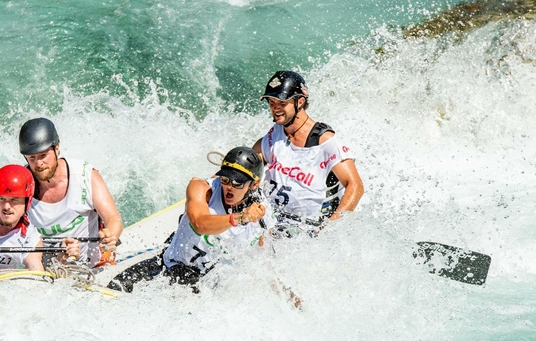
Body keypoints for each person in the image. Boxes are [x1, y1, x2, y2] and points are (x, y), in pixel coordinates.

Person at [107, 147, 268, 293]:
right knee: (114, 288)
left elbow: (263, 257)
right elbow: (199, 223)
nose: (229, 187)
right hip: (171, 267)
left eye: (237, 182)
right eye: (225, 179)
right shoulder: (201, 188)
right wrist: (241, 217)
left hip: (208, 286)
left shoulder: (262, 211)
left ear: (254, 185)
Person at [251, 71, 364, 235]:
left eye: (282, 103)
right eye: (271, 102)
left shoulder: (325, 141)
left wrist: (331, 228)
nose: (275, 108)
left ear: (300, 102)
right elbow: (248, 166)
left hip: (311, 232)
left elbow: (356, 186)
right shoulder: (274, 135)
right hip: (275, 223)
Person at [18, 117, 124, 268]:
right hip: (44, 267)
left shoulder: (85, 175)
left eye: (43, 156)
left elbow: (114, 218)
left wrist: (110, 236)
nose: (39, 164)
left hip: (91, 265)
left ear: (57, 148)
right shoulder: (20, 183)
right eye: (32, 158)